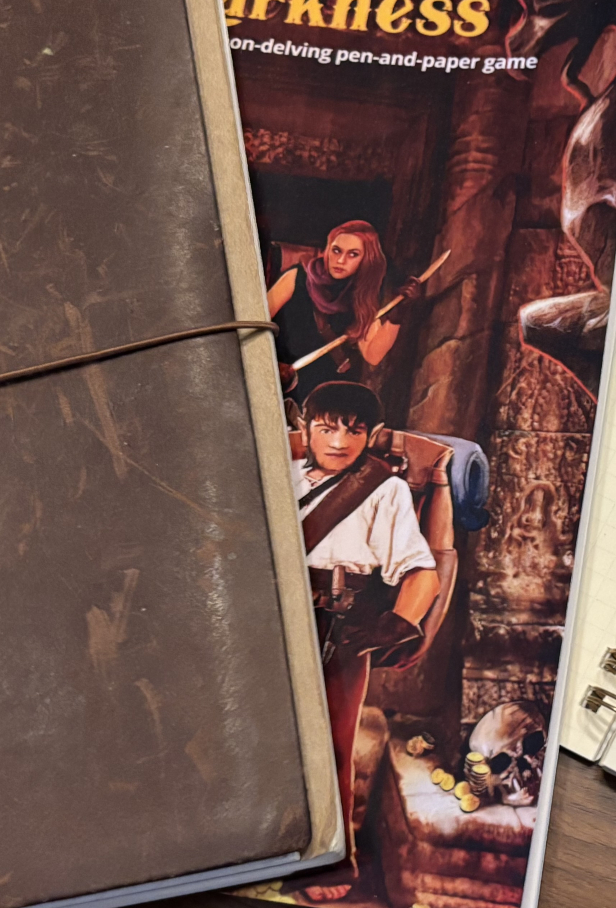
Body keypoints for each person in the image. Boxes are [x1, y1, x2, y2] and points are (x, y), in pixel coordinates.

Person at [294, 381, 443, 903]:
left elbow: (422, 573)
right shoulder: (278, 473)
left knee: (332, 746)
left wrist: (393, 625)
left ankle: (334, 857)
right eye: (326, 426)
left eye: (354, 430)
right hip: (270, 614)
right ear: (304, 426)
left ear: (371, 435)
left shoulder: (384, 489)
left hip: (340, 624)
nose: (339, 440)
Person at [269, 220, 421, 401]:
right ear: (328, 248)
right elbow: (256, 321)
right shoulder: (297, 277)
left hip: (322, 396)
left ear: (366, 259)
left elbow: (372, 355)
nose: (341, 260)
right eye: (336, 250)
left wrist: (396, 318)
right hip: (276, 380)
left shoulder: (363, 296)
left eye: (353, 254)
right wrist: (269, 362)